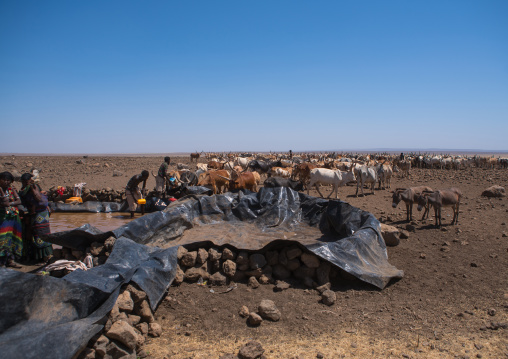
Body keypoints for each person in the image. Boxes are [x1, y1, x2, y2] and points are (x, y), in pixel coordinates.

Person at [18, 173, 53, 263]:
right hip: (32, 214)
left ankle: (45, 256)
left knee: (42, 232)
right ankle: (36, 256)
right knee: (34, 233)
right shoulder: (23, 190)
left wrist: (33, 189)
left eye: (28, 181)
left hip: (41, 213)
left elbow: (38, 199)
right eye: (25, 182)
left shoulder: (34, 187)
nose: (26, 183)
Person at [0, 172, 23, 268]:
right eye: (4, 180)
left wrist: (10, 203)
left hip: (13, 217)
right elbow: (5, 203)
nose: (6, 182)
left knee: (12, 238)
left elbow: (19, 201)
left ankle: (10, 260)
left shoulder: (11, 190)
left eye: (8, 180)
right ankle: (1, 262)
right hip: (2, 218)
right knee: (2, 239)